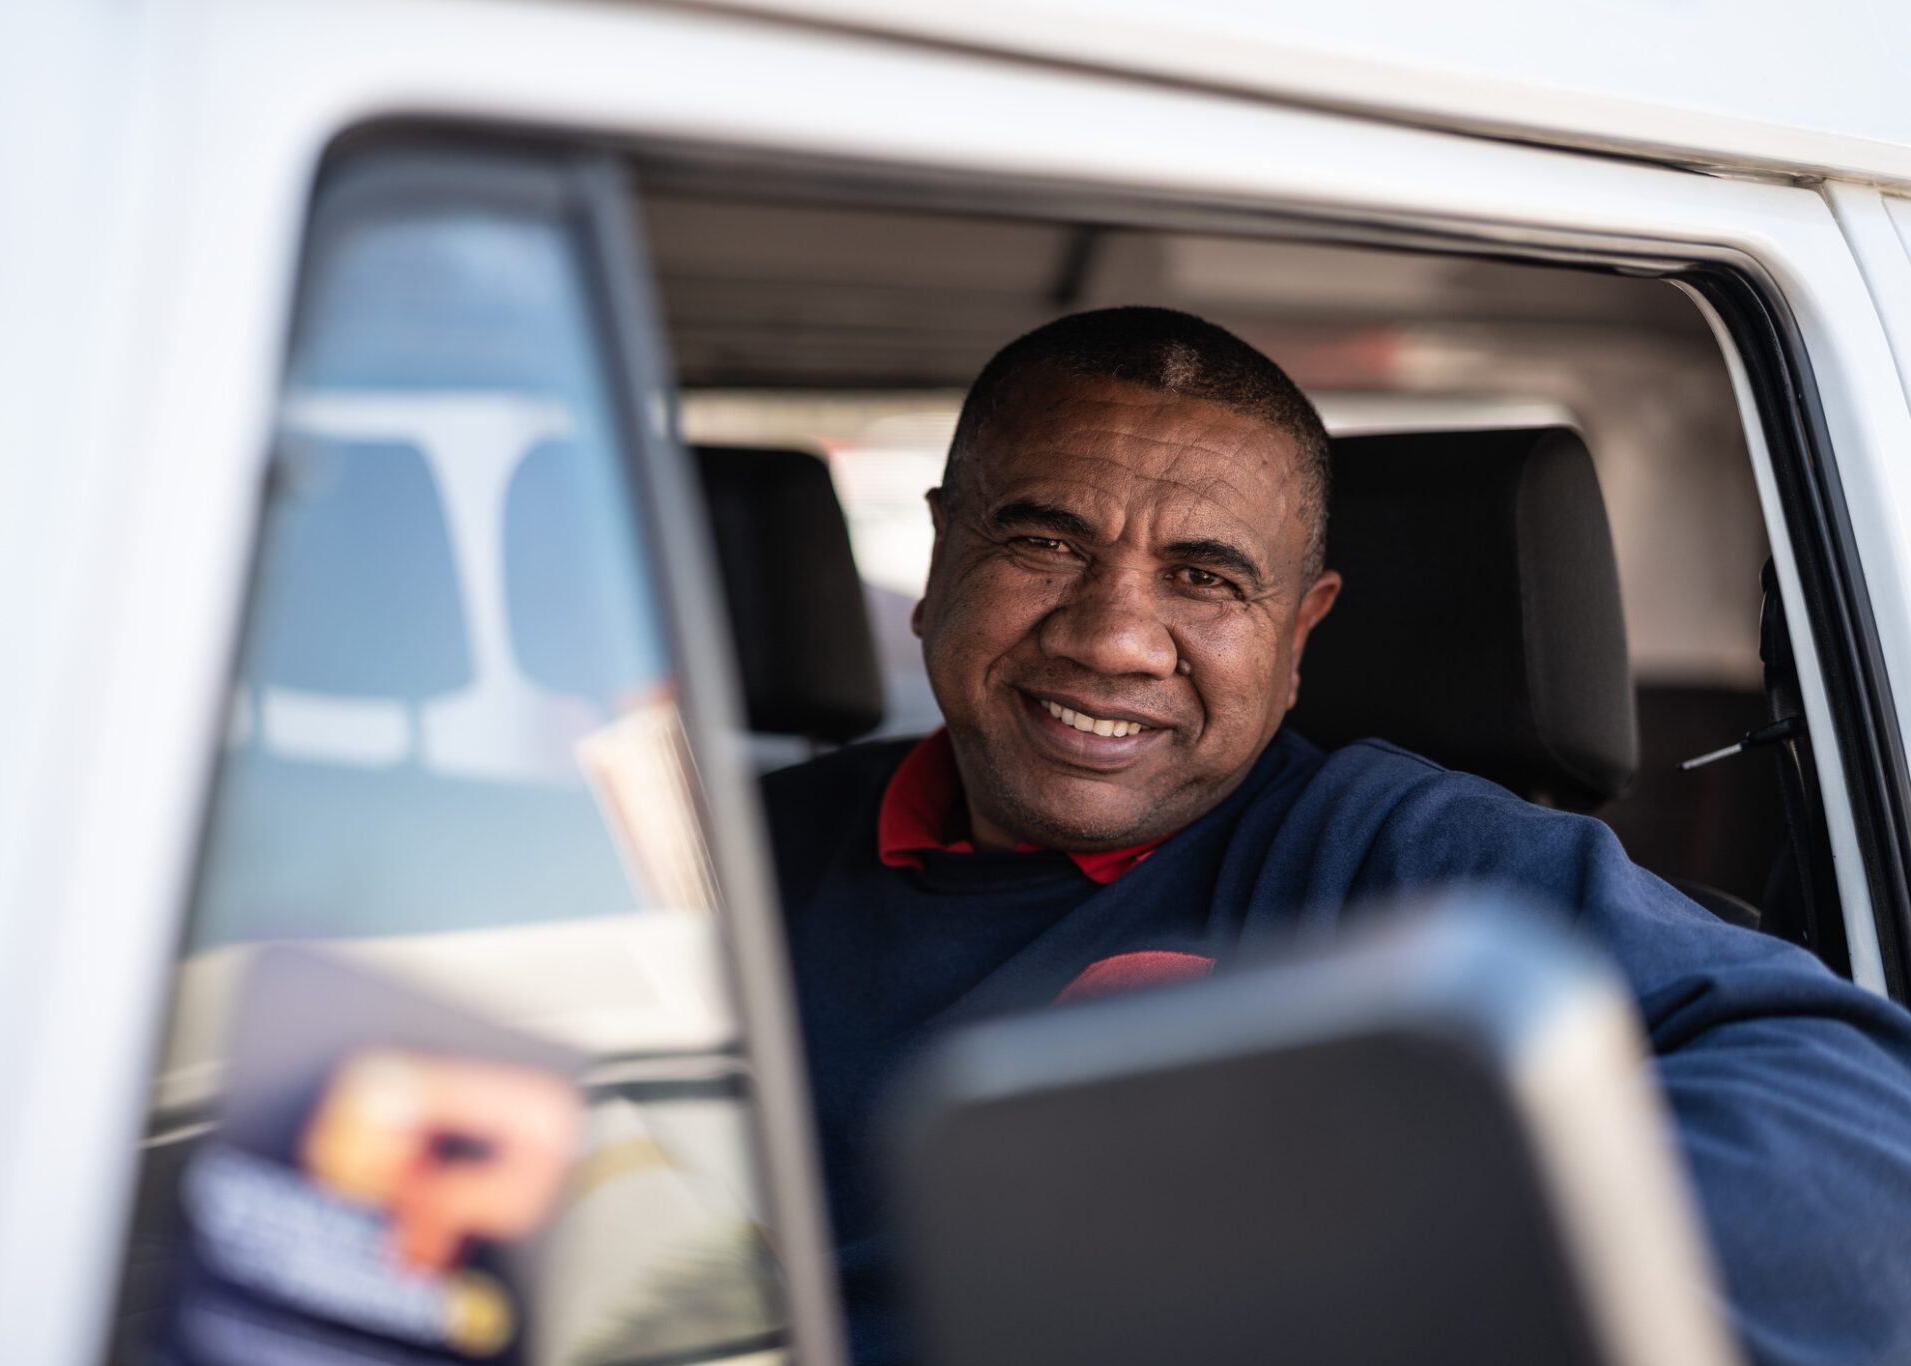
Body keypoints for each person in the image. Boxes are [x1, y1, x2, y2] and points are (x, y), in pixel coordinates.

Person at [760, 307, 1911, 1366]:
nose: (1113, 638)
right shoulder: (743, 847)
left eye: (1204, 577)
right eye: (1044, 545)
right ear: (937, 561)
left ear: (1299, 633)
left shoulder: (1399, 857)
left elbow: (1863, 1131)